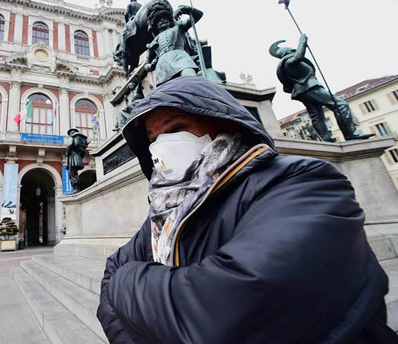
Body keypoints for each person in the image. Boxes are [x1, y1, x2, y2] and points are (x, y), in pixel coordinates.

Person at [96, 76, 396, 343]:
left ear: (223, 123)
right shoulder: (167, 209)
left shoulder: (305, 182)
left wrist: (126, 280)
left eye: (177, 128)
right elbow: (109, 278)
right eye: (153, 140)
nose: (163, 146)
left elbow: (220, 317)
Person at [270, 35, 373, 142]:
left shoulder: (285, 65)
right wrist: (302, 42)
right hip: (309, 87)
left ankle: (326, 140)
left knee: (317, 116)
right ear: (288, 52)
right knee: (340, 105)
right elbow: (298, 57)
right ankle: (351, 134)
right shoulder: (288, 62)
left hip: (302, 91)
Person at [144, 0, 202, 86]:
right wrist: (151, 66)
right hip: (163, 66)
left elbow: (198, 15)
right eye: (159, 20)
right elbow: (146, 65)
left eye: (164, 17)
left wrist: (184, 9)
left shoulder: (179, 28)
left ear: (169, 18)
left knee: (191, 79)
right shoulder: (152, 43)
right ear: (155, 24)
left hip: (180, 58)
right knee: (167, 91)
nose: (162, 20)